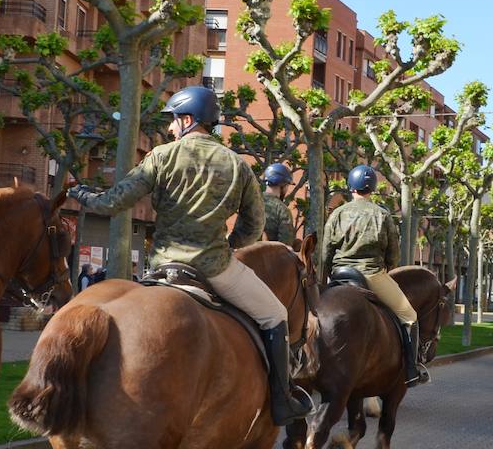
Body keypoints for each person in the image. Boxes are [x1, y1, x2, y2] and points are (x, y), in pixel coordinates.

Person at [66, 85, 313, 425]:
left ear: (187, 119)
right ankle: (282, 399)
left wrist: (82, 194)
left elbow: (113, 202)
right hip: (215, 268)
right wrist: (230, 243)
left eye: (172, 121)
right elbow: (253, 226)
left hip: (162, 266)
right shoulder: (237, 165)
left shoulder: (162, 156)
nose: (169, 128)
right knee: (274, 315)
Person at [320, 164, 428, 386]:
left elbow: (325, 251)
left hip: (339, 275)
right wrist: (388, 267)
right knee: (410, 316)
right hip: (371, 275)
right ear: (372, 188)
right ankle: (411, 369)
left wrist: (326, 273)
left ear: (350, 186)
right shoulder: (382, 215)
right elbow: (393, 254)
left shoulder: (337, 214)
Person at [258, 163, 297, 248]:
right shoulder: (282, 210)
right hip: (268, 258)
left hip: (241, 257)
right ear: (283, 185)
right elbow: (285, 246)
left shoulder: (251, 201)